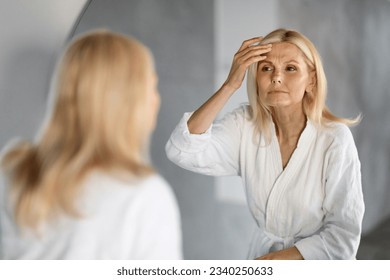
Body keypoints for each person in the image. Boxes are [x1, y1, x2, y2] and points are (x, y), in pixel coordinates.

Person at [166, 28, 364, 260]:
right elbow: (182, 149)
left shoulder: (334, 139)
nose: (276, 77)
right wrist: (229, 85)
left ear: (311, 80)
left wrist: (273, 260)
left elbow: (344, 235)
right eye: (266, 68)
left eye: (290, 68)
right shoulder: (245, 125)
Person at [0, 30, 182, 259]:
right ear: (127, 101)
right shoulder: (144, 196)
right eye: (152, 87)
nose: (157, 99)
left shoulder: (14, 170)